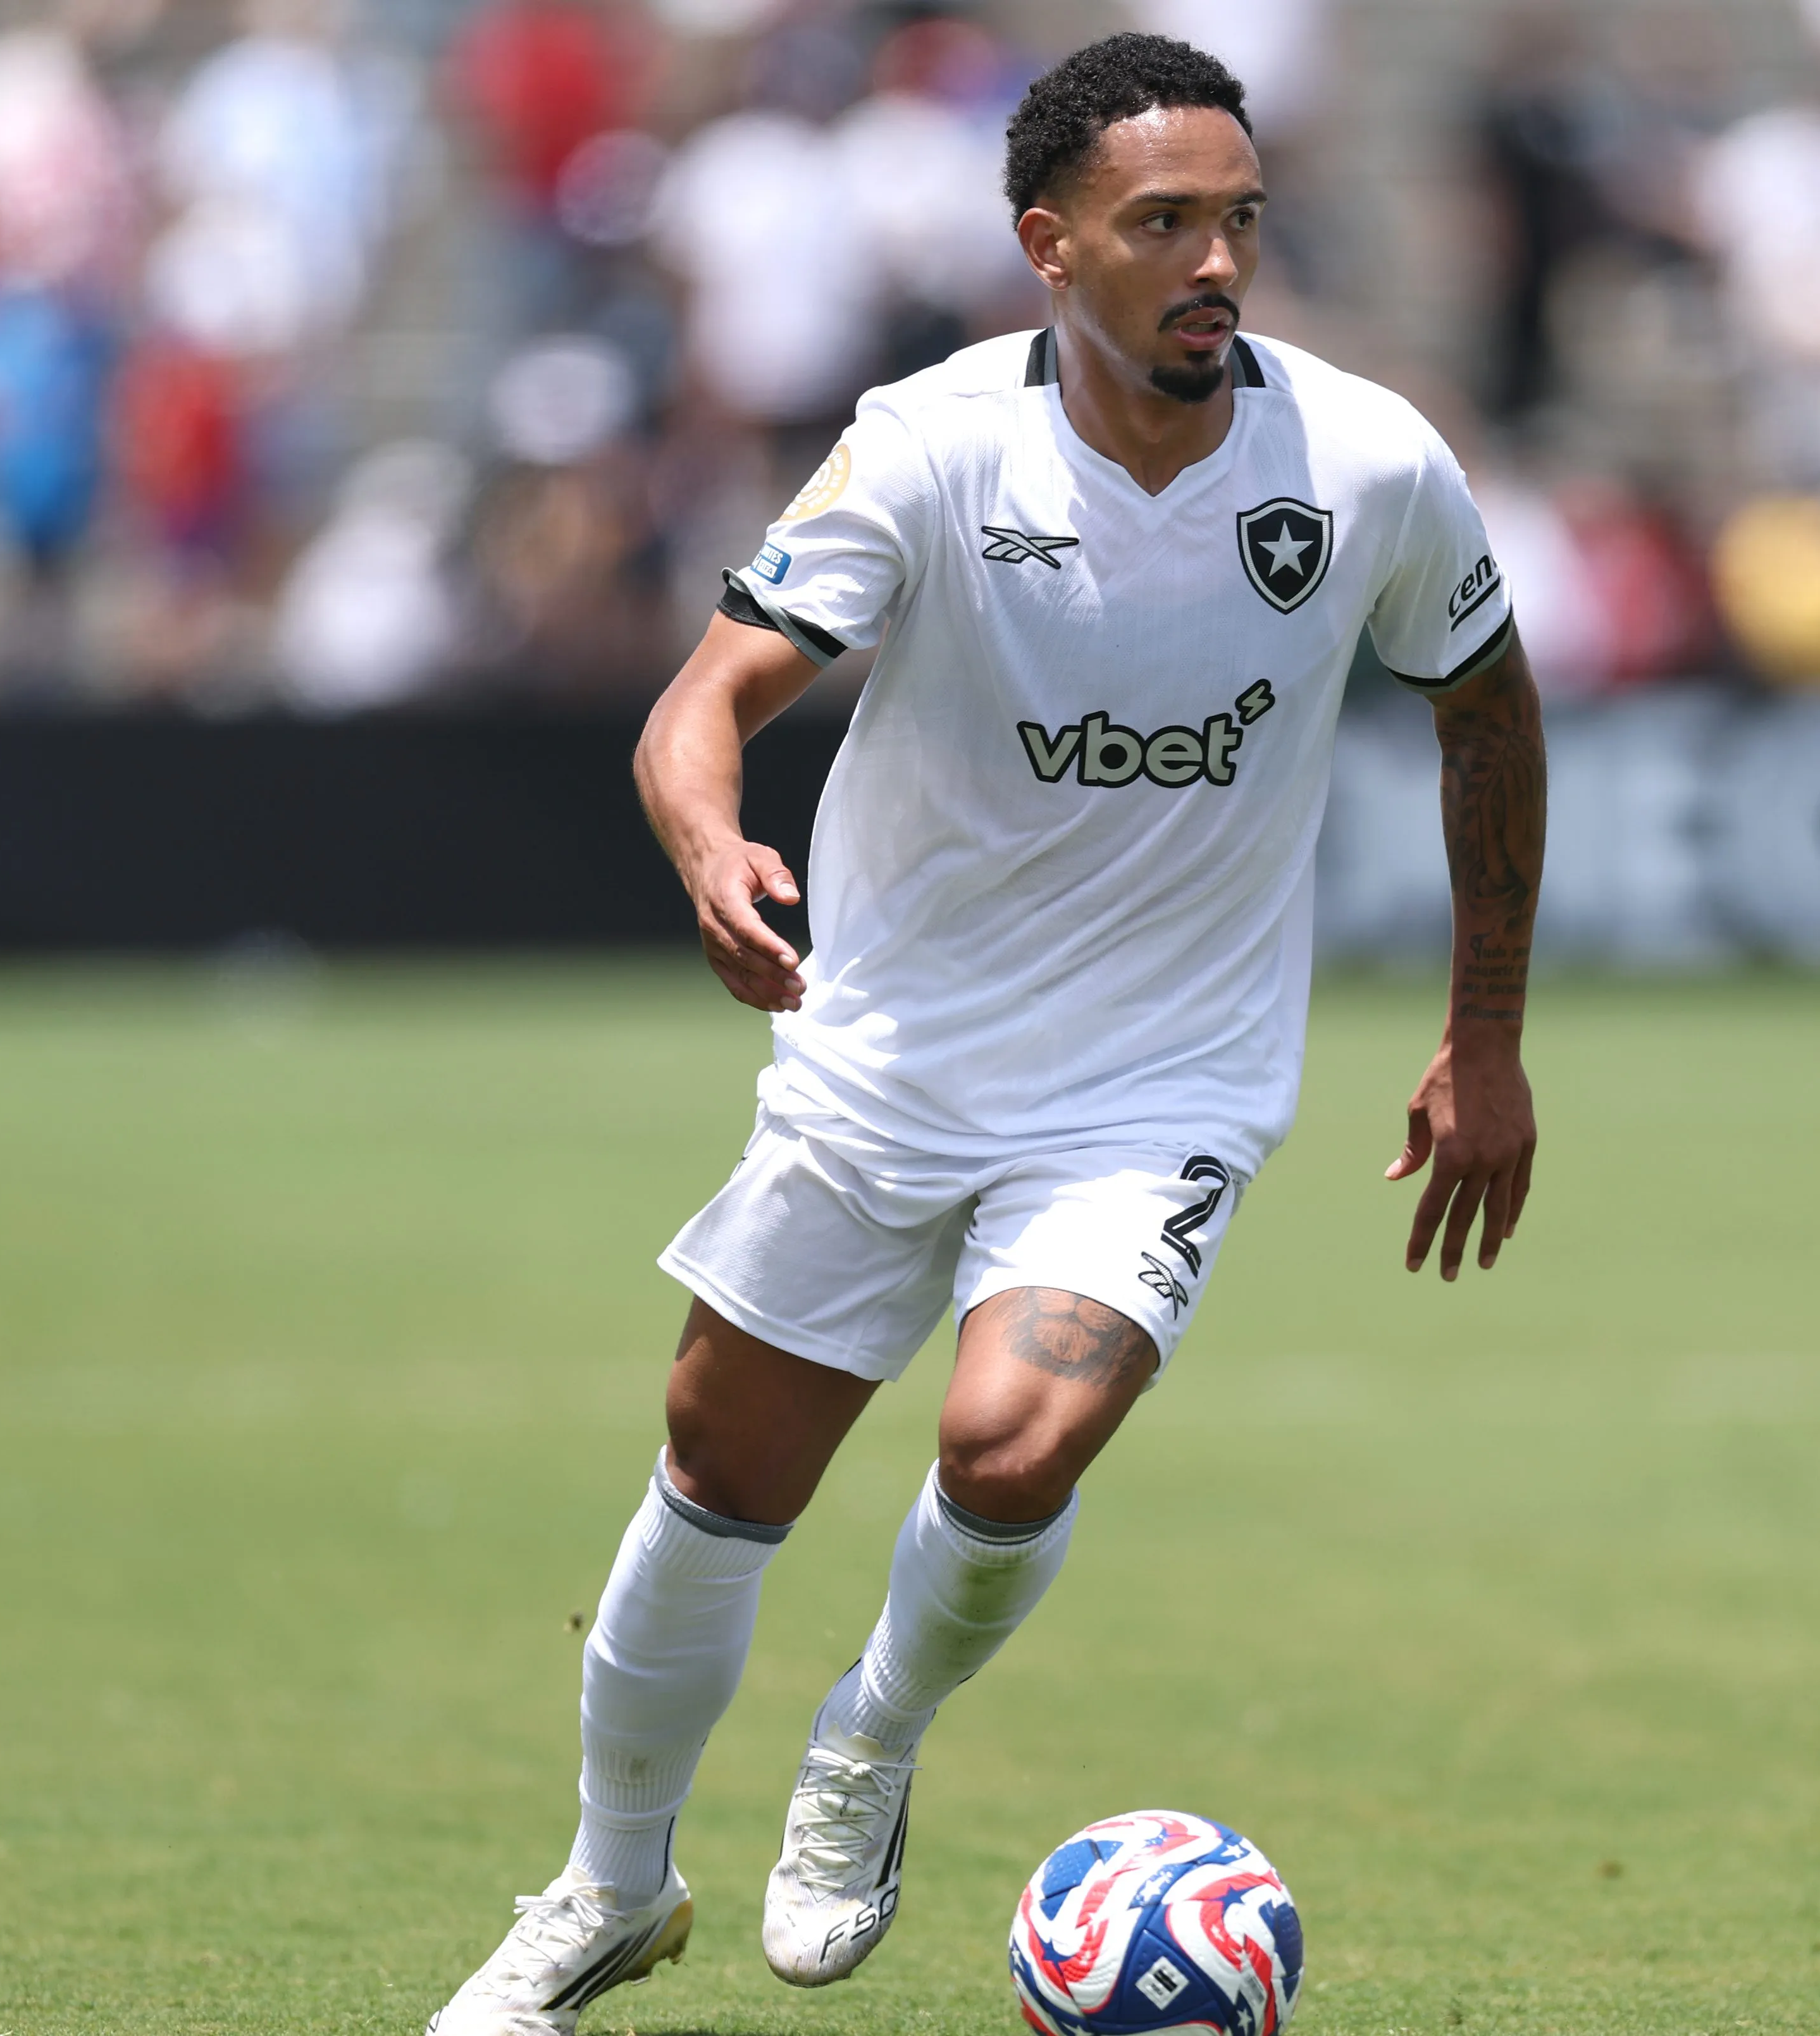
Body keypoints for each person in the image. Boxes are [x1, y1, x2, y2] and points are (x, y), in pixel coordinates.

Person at [426, 33, 1546, 2036]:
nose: (1217, 263)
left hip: (1158, 1087)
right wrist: (710, 850)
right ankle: (609, 1884)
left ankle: (868, 1741)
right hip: (892, 1058)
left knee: (1011, 1438)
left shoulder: (1369, 464)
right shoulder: (932, 446)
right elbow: (698, 708)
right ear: (1051, 247)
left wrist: (1486, 1037)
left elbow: (1489, 712)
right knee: (717, 1463)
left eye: (1240, 221)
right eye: (1165, 224)